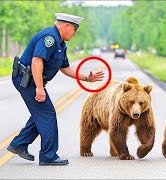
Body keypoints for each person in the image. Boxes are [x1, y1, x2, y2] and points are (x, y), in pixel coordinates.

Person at [7, 13, 104, 166]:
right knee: (47, 114)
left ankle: (19, 144)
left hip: (30, 79)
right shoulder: (49, 39)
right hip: (26, 80)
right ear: (66, 26)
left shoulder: (60, 44)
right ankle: (48, 156)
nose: (75, 33)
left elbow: (65, 68)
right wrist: (39, 87)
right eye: (74, 29)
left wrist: (86, 78)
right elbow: (36, 61)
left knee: (41, 113)